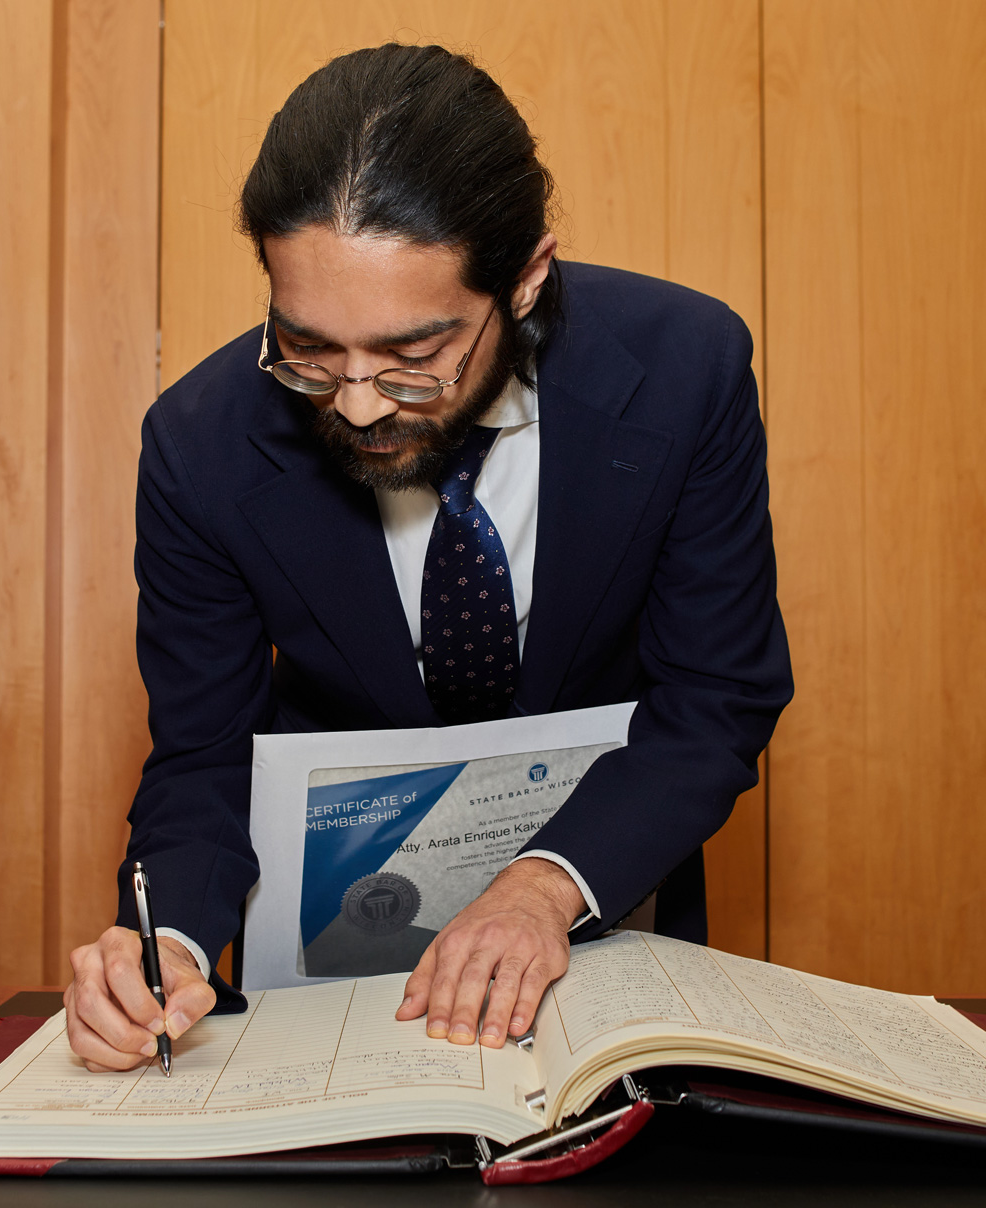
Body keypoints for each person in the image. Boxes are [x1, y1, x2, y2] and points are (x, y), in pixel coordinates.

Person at [64, 43, 792, 1072]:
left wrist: (544, 885)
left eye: (413, 357)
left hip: (598, 912)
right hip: (340, 971)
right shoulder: (203, 442)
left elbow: (715, 696)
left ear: (526, 279)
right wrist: (164, 939)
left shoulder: (686, 371)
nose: (356, 402)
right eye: (308, 348)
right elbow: (204, 752)